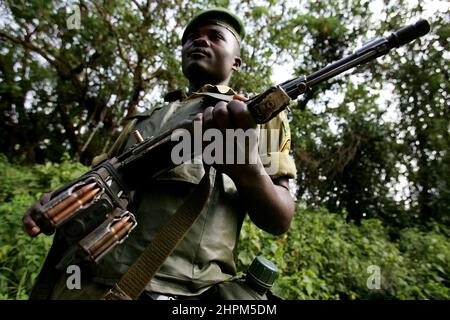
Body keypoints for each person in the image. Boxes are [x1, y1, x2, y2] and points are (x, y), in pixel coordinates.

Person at [23, 7, 297, 300]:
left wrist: (248, 171)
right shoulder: (141, 120)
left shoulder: (256, 115)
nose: (200, 41)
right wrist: (61, 199)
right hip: (84, 282)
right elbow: (102, 181)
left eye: (215, 37)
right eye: (192, 38)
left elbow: (280, 218)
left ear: (236, 61)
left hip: (175, 291)